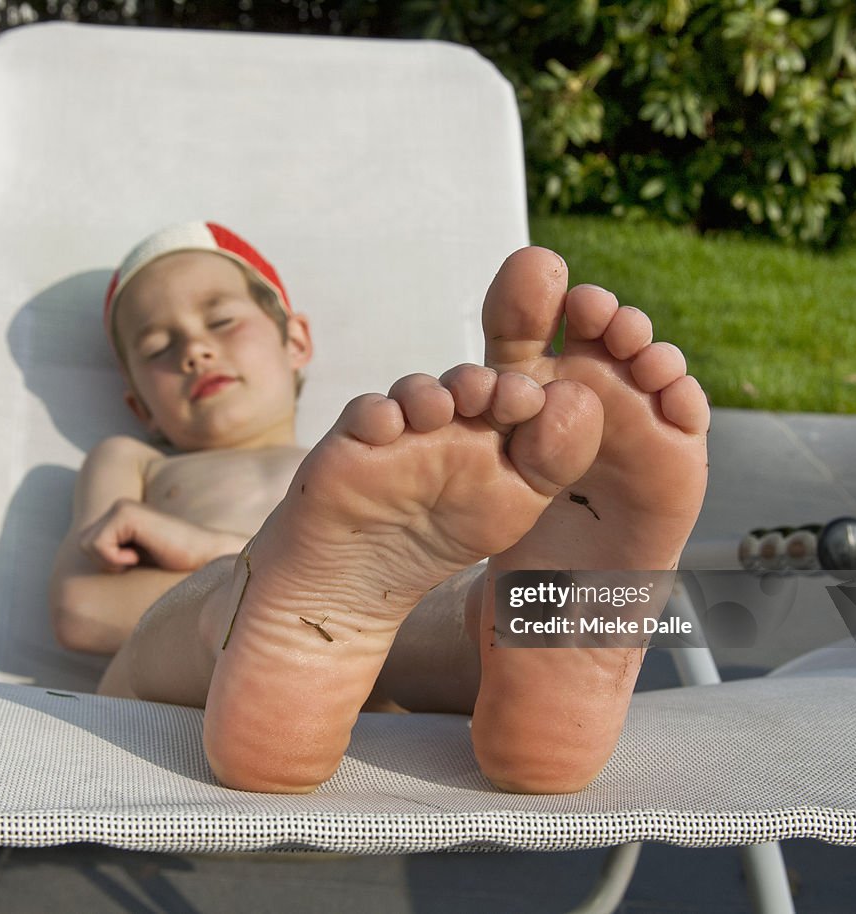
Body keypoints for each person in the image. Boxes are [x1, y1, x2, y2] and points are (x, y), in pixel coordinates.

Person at [49, 220, 711, 795]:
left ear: (296, 342)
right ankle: (313, 612)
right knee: (234, 594)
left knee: (427, 603)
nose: (193, 348)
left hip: (354, 681)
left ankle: (516, 624)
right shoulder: (138, 461)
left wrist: (214, 548)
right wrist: (238, 567)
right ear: (139, 406)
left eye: (221, 320)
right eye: (158, 348)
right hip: (175, 686)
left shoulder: (381, 468)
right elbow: (82, 609)